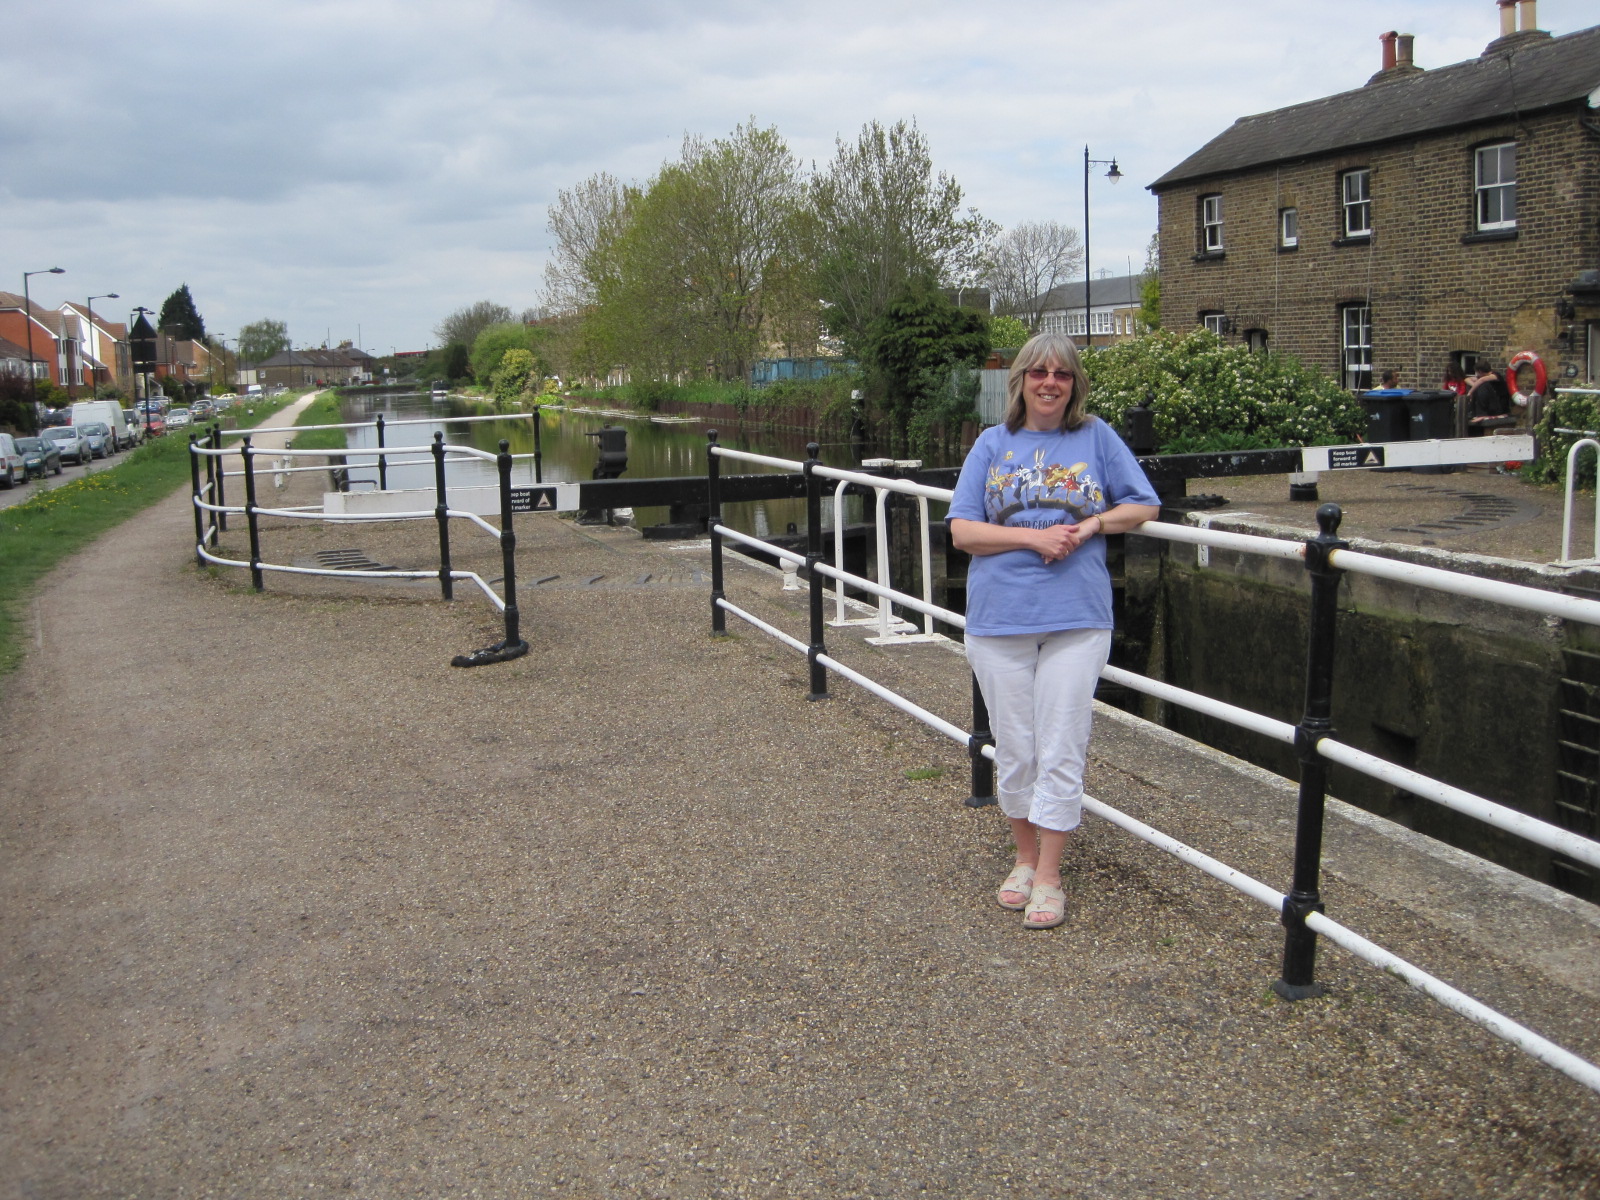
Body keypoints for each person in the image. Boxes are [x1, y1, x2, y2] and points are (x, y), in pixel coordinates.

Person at [947, 333, 1160, 930]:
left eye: (1061, 374)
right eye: (1038, 372)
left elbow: (1144, 504)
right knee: (1016, 749)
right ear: (1021, 381)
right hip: (1000, 621)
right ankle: (1022, 856)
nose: (1049, 383)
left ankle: (1049, 875)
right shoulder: (992, 445)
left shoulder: (1095, 437)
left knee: (1061, 745)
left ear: (1074, 384)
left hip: (1077, 619)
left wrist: (1090, 524)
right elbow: (963, 530)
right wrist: (1033, 537)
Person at [1466, 359, 1511, 430]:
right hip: (1492, 405)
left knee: (1482, 385)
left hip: (1500, 407)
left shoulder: (1495, 375)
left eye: (1477, 372)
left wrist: (1470, 392)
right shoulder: (1482, 377)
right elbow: (1467, 379)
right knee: (1477, 385)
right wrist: (1474, 386)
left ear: (1480, 371)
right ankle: (1473, 412)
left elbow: (1482, 380)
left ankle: (1481, 413)